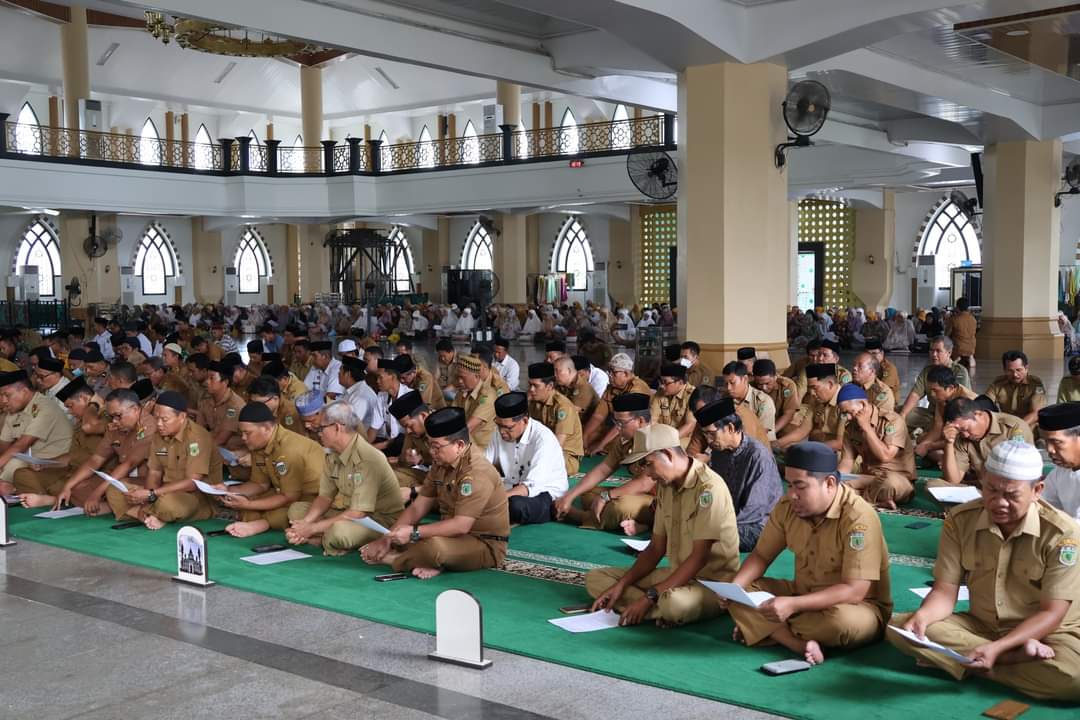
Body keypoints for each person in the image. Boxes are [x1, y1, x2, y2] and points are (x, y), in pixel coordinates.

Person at [888, 440, 1080, 701]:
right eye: (990, 490)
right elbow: (945, 593)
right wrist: (923, 617)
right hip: (983, 624)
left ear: (1037, 490)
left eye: (1012, 495)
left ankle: (962, 662)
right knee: (900, 627)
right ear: (982, 481)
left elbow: (1052, 614)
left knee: (1072, 677)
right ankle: (1007, 659)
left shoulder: (1063, 534)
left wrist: (998, 648)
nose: (999, 502)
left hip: (1050, 633)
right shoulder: (960, 520)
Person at [727, 442, 893, 666]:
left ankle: (765, 628)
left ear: (830, 483)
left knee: (840, 623)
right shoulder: (788, 507)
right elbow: (761, 556)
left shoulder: (858, 517)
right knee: (741, 592)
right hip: (801, 593)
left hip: (857, 607)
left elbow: (855, 591)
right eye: (789, 485)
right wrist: (734, 588)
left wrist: (791, 606)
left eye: (800, 486)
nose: (792, 495)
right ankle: (797, 643)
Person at [586, 423, 740, 627]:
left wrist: (648, 597)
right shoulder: (666, 486)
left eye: (648, 463)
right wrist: (621, 585)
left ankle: (657, 609)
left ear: (667, 454)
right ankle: (656, 611)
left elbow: (698, 558)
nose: (647, 473)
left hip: (711, 584)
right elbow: (656, 548)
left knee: (673, 604)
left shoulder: (709, 488)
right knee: (596, 579)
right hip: (676, 574)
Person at [360, 407, 510, 579]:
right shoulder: (441, 463)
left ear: (459, 445)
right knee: (402, 536)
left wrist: (414, 532)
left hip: (482, 542)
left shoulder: (477, 472)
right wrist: (388, 538)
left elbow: (461, 526)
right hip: (449, 535)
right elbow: (418, 508)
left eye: (436, 447)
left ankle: (395, 560)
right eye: (430, 445)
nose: (431, 452)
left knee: (434, 548)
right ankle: (425, 560)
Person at [285, 401, 405, 554]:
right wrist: (305, 524)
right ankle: (318, 537)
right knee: (296, 511)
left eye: (322, 428)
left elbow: (358, 513)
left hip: (378, 521)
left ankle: (322, 538)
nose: (318, 432)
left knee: (339, 532)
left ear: (337, 427)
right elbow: (325, 498)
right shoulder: (333, 454)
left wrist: (312, 528)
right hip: (348, 512)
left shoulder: (367, 458)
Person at [212, 402, 326, 537]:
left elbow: (290, 497)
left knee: (291, 512)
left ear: (266, 428)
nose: (243, 438)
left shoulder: (288, 449)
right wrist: (228, 491)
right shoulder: (258, 444)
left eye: (247, 433)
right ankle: (258, 522)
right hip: (283, 492)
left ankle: (261, 524)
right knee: (250, 509)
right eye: (242, 433)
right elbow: (259, 484)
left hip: (312, 498)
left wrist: (248, 504)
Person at [112, 391, 223, 530]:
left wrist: (152, 495)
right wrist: (149, 499)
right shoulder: (159, 435)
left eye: (164, 419)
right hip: (163, 491)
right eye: (156, 418)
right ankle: (151, 515)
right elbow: (154, 472)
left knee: (168, 504)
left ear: (182, 417)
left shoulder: (197, 437)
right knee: (115, 487)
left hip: (195, 497)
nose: (158, 424)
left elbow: (193, 483)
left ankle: (154, 514)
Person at [555, 392, 656, 535]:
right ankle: (639, 523)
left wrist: (606, 496)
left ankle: (579, 516)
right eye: (616, 423)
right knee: (588, 493)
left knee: (620, 507)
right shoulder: (626, 439)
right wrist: (570, 496)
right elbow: (603, 469)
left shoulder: (657, 438)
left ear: (640, 420)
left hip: (659, 501)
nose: (618, 428)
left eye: (621, 423)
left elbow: (645, 484)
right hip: (636, 493)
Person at [698, 398, 782, 551]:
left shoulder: (758, 456)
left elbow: (754, 511)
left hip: (756, 526)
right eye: (705, 435)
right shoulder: (719, 452)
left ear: (730, 428)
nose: (708, 440)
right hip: (730, 519)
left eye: (711, 434)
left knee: (704, 538)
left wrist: (717, 526)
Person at [14, 377, 106, 510]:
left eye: (70, 406)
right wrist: (44, 464)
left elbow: (89, 427)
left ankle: (52, 500)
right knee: (22, 474)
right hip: (72, 470)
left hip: (96, 473)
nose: (70, 411)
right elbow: (72, 455)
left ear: (84, 399)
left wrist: (93, 405)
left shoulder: (105, 418)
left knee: (79, 488)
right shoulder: (80, 423)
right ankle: (53, 499)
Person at [486, 392, 568, 525]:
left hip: (543, 494)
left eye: (507, 427)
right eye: (498, 425)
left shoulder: (543, 438)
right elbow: (487, 469)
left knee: (516, 506)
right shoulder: (499, 434)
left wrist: (496, 499)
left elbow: (531, 487)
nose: (501, 431)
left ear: (524, 421)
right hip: (510, 490)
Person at [836, 383, 915, 508]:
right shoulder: (850, 428)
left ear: (862, 404)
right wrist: (836, 479)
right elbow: (847, 461)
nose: (848, 418)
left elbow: (885, 456)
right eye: (844, 414)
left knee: (889, 482)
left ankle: (858, 499)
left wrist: (866, 427)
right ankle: (876, 501)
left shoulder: (893, 421)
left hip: (898, 479)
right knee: (835, 485)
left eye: (849, 412)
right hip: (868, 478)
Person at [0, 370, 73, 497]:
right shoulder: (13, 410)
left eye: (7, 395)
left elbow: (22, 444)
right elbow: (4, 445)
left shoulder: (45, 407)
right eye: (1, 396)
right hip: (29, 461)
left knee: (14, 464)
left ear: (24, 391)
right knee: (11, 463)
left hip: (53, 464)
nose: (3, 400)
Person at [939, 396, 1033, 487]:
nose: (965, 435)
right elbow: (953, 480)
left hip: (1008, 489)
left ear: (978, 414)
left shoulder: (1013, 428)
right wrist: (948, 443)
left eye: (966, 428)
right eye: (959, 431)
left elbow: (1020, 475)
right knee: (933, 485)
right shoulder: (961, 436)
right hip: (982, 487)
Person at [898, 336, 972, 433]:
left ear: (949, 353)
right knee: (898, 412)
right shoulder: (927, 371)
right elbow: (915, 394)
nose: (934, 354)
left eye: (938, 351)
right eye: (931, 350)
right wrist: (902, 415)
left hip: (951, 417)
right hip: (931, 415)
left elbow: (961, 402)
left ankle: (929, 431)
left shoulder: (959, 372)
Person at [583, 352, 651, 455]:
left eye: (613, 372)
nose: (609, 375)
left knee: (616, 443)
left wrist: (600, 445)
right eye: (609, 371)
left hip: (631, 429)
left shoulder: (638, 388)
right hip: (618, 427)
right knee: (590, 435)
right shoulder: (612, 387)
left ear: (626, 374)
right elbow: (598, 416)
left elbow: (624, 423)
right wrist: (585, 437)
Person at [526, 362, 584, 474]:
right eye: (530, 385)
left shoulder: (563, 406)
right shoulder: (534, 402)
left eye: (536, 386)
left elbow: (557, 445)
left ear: (550, 386)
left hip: (564, 457)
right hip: (541, 449)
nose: (531, 389)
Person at [913, 366, 977, 462]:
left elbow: (964, 438)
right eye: (931, 390)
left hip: (969, 441)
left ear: (950, 388)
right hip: (953, 438)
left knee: (934, 450)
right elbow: (938, 426)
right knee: (920, 441)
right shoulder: (942, 398)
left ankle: (950, 463)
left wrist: (929, 446)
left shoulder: (966, 401)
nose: (932, 394)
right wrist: (924, 444)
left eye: (936, 390)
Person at [776, 364, 844, 452]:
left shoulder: (846, 403)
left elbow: (839, 444)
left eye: (815, 388)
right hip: (820, 448)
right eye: (809, 388)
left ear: (830, 384)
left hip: (840, 455)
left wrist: (806, 449)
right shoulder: (817, 400)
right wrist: (776, 443)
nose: (811, 393)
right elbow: (802, 430)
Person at [387, 391, 434, 501]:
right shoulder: (412, 431)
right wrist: (406, 459)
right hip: (429, 476)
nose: (408, 431)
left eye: (410, 425)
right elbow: (404, 459)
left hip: (448, 481)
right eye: (405, 427)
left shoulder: (443, 428)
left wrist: (422, 460)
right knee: (385, 474)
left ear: (423, 416)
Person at [984, 351, 1047, 428]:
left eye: (1019, 370)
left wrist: (1015, 427)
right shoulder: (998, 383)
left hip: (1028, 426)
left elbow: (1036, 413)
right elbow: (985, 403)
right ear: (1004, 370)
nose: (1015, 375)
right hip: (1005, 426)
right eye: (1010, 371)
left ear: (1026, 368)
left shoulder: (1035, 384)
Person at [1039, 403, 1080, 519]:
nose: (1049, 450)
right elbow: (1043, 505)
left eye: (1056, 442)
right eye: (1046, 442)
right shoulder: (1060, 472)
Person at [451, 354, 497, 450]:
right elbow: (452, 417)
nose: (459, 381)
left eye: (463, 378)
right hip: (464, 444)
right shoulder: (461, 393)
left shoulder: (487, 395)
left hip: (482, 450)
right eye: (458, 377)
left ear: (476, 376)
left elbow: (468, 427)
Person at [721, 361, 776, 440]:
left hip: (760, 446)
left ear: (745, 379)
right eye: (726, 384)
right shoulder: (724, 399)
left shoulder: (763, 402)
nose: (728, 388)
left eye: (732, 383)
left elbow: (760, 434)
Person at [751, 359, 799, 437]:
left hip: (780, 423)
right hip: (759, 424)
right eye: (759, 384)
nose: (764, 388)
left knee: (790, 433)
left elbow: (789, 413)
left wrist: (771, 432)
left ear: (775, 377)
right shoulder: (750, 387)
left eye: (767, 383)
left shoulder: (787, 386)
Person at [339, 356, 382, 443]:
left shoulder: (361, 396)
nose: (338, 374)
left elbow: (350, 425)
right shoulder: (351, 390)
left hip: (363, 440)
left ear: (348, 375)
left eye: (340, 371)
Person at [650, 363, 697, 439]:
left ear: (680, 382)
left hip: (683, 438)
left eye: (665, 382)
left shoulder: (692, 395)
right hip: (662, 437)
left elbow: (690, 425)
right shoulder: (660, 393)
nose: (661, 386)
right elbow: (652, 420)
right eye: (661, 382)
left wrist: (669, 441)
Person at [554, 355, 600, 424]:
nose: (555, 375)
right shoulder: (562, 385)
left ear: (569, 371)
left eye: (558, 371)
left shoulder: (583, 388)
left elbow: (571, 416)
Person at [947, 296, 978, 370]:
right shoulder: (973, 319)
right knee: (970, 355)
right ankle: (971, 358)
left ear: (957, 307)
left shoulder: (954, 319)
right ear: (968, 307)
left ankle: (956, 360)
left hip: (958, 348)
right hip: (971, 347)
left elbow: (947, 334)